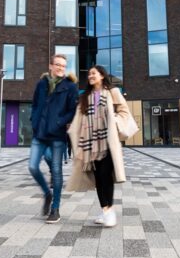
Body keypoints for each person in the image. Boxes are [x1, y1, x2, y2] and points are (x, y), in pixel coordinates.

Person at [66, 65, 131, 227]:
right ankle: (106, 211)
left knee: (105, 176)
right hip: (90, 143)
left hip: (107, 142)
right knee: (98, 179)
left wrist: (114, 121)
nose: (90, 76)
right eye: (89, 74)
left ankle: (109, 211)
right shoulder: (85, 96)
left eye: (93, 73)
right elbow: (78, 119)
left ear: (102, 75)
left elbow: (124, 112)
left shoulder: (112, 92)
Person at [29, 54, 78, 223]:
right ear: (50, 66)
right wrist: (33, 121)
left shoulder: (70, 86)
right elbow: (35, 105)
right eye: (57, 65)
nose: (60, 68)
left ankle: (55, 208)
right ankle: (47, 193)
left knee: (56, 170)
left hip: (57, 135)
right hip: (39, 133)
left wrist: (60, 122)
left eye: (63, 66)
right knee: (33, 167)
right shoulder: (41, 84)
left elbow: (73, 110)